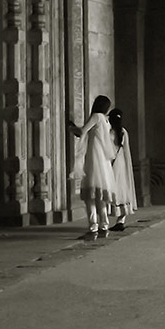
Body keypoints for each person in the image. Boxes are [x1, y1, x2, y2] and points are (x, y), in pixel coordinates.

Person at [68, 95, 117, 239]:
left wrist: (70, 127)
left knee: (90, 195)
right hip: (103, 161)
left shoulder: (96, 116)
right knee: (100, 195)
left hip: (94, 158)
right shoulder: (106, 120)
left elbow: (82, 131)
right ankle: (104, 225)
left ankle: (93, 226)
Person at [107, 107, 138, 231]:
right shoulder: (124, 132)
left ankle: (103, 221)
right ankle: (121, 220)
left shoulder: (109, 132)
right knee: (122, 190)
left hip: (111, 164)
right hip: (122, 164)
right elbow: (126, 151)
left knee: (110, 191)